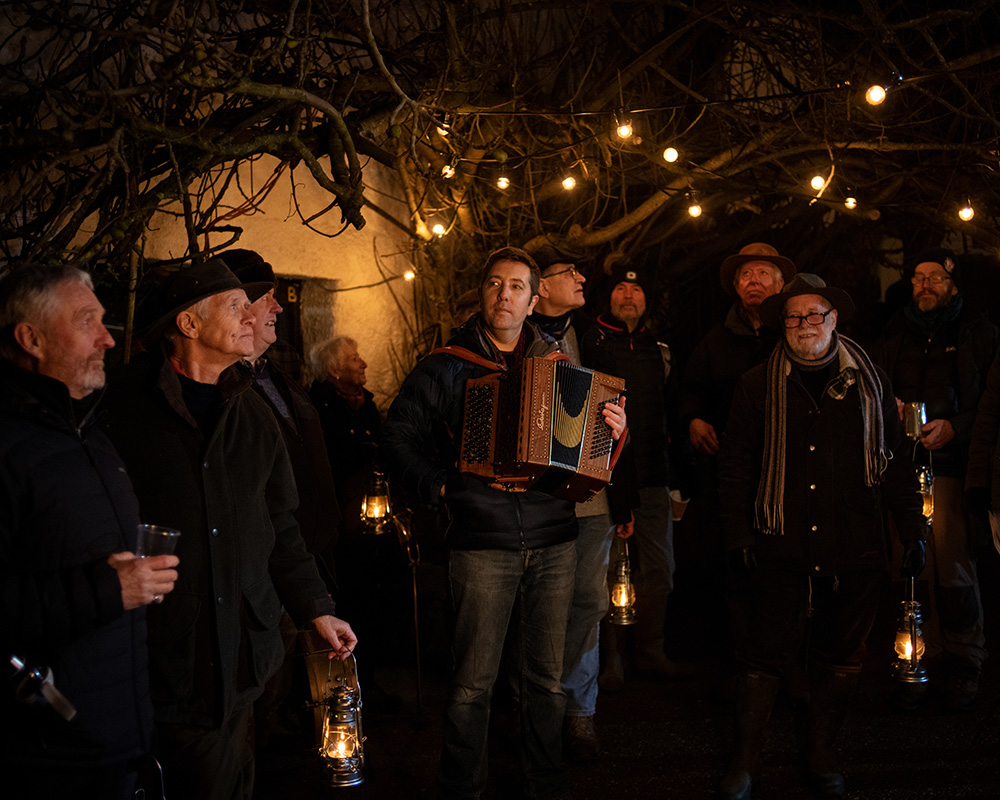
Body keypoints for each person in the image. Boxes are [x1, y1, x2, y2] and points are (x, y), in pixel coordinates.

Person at [103, 258, 357, 799]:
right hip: (163, 658)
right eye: (236, 306)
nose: (253, 315)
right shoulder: (117, 409)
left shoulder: (252, 413)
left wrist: (316, 606)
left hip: (242, 655)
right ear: (189, 325)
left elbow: (281, 527)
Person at [381, 246, 626, 800]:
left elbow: (589, 454)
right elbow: (396, 437)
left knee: (543, 678)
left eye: (516, 286)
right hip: (480, 538)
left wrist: (614, 428)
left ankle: (544, 780)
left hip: (554, 536)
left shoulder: (560, 365)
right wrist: (441, 487)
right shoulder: (446, 364)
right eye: (495, 284)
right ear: (482, 292)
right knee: (471, 683)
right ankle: (462, 786)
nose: (504, 296)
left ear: (533, 298)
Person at [717, 273, 927, 800]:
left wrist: (912, 529)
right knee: (764, 653)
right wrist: (739, 532)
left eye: (815, 315)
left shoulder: (870, 380)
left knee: (841, 652)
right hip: (780, 536)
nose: (804, 324)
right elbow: (737, 465)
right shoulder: (756, 383)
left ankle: (821, 749)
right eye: (793, 316)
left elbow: (895, 461)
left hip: (853, 537)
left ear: (834, 320)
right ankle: (745, 760)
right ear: (782, 324)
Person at [0, 265, 177, 797]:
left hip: (116, 744)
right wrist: (108, 590)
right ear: (30, 338)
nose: (108, 337)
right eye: (87, 322)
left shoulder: (87, 431)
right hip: (47, 760)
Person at [219, 248, 344, 746]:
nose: (279, 308)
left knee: (298, 677)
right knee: (263, 687)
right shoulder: (226, 391)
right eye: (266, 298)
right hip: (265, 568)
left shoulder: (273, 375)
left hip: (306, 551)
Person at [871, 248, 997, 711]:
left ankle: (965, 662)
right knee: (909, 566)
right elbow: (878, 392)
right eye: (918, 277)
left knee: (953, 567)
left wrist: (954, 429)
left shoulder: (978, 334)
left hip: (951, 468)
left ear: (954, 285)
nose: (924, 285)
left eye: (935, 278)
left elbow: (989, 401)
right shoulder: (893, 334)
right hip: (902, 468)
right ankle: (921, 658)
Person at [527, 241, 635, 760]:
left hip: (589, 494)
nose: (582, 279)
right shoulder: (511, 337)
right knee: (539, 606)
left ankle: (579, 712)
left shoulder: (592, 337)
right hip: (531, 498)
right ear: (541, 286)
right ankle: (539, 710)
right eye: (570, 272)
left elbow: (621, 404)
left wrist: (620, 429)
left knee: (589, 603)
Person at [676, 242, 795, 677]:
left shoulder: (795, 333)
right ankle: (738, 669)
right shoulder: (716, 338)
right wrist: (693, 419)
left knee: (784, 572)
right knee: (730, 569)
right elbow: (689, 389)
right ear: (735, 287)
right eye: (747, 276)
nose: (755, 282)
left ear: (781, 285)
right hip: (728, 474)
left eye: (764, 274)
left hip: (786, 474)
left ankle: (787, 668)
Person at [581, 261, 686, 687]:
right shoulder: (591, 342)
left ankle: (651, 652)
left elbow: (672, 418)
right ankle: (611, 661)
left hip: (654, 479)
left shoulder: (658, 350)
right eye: (622, 290)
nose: (629, 296)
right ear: (609, 296)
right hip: (605, 478)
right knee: (606, 573)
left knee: (660, 571)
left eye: (637, 291)